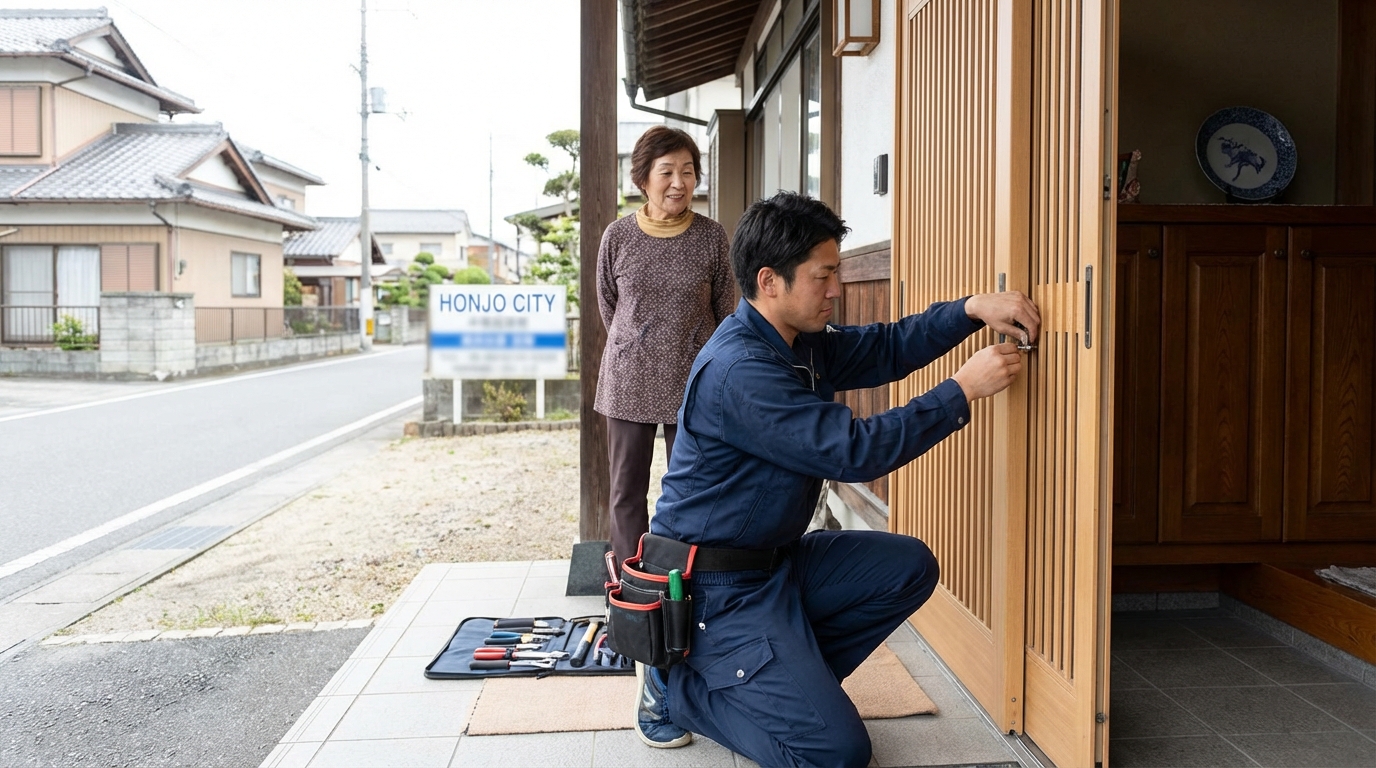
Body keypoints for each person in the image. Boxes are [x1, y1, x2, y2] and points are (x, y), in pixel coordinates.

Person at [631, 192, 1040, 765]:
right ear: (770, 281)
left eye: (838, 273)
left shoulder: (796, 343)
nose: (835, 289)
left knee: (908, 567)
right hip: (713, 590)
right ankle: (680, 692)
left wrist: (970, 309)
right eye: (823, 275)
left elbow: (888, 347)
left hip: (772, 563)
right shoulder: (741, 371)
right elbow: (853, 450)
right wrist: (961, 390)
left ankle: (784, 682)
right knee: (836, 754)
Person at [595, 125, 735, 570]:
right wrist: (638, 342)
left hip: (694, 381)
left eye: (688, 171)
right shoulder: (617, 237)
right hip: (629, 378)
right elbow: (608, 305)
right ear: (643, 179)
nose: (679, 182)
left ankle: (681, 577)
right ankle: (630, 582)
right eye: (667, 171)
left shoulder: (712, 236)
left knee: (693, 488)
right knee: (625, 490)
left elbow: (724, 308)